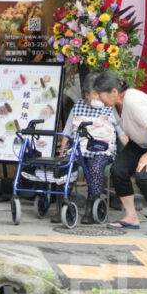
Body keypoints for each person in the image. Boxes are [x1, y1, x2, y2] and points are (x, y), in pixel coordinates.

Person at [87, 71, 147, 236]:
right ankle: (131, 217)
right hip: (140, 142)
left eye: (101, 96)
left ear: (114, 92)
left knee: (144, 175)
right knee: (118, 170)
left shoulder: (133, 101)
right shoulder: (115, 104)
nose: (100, 100)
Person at [56, 72, 127, 224]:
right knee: (64, 165)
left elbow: (122, 134)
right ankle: (63, 204)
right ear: (86, 95)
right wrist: (62, 153)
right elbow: (67, 133)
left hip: (102, 150)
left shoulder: (110, 108)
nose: (99, 98)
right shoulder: (78, 106)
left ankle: (92, 204)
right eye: (95, 94)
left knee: (95, 167)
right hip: (78, 148)